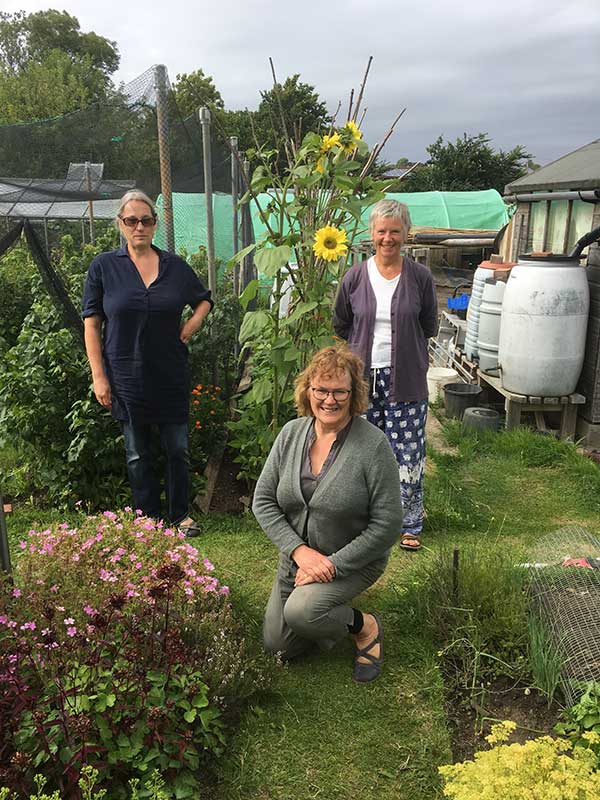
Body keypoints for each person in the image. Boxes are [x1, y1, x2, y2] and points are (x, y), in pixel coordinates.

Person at [253, 344, 403, 682]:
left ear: (354, 393)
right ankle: (315, 611)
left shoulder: (373, 446)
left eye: (339, 392)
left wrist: (333, 565)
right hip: (299, 560)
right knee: (277, 647)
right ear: (308, 390)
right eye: (321, 389)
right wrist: (300, 552)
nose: (330, 400)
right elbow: (262, 501)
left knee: (302, 612)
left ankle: (364, 627)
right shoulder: (291, 433)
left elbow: (389, 523)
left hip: (352, 560)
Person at [82, 190, 213, 534]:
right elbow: (92, 323)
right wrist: (99, 376)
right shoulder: (104, 267)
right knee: (138, 453)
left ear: (155, 224)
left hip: (170, 374)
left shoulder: (174, 266)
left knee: (177, 450)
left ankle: (180, 516)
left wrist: (191, 324)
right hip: (125, 376)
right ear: (121, 224)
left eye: (146, 220)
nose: (139, 226)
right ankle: (148, 520)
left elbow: (203, 300)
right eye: (132, 220)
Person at [333, 199, 438, 551]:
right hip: (362, 379)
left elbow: (429, 325)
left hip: (405, 376)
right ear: (371, 234)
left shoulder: (421, 278)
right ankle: (366, 520)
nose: (388, 238)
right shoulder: (355, 276)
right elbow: (342, 323)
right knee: (362, 449)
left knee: (407, 451)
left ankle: (409, 523)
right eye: (382, 231)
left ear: (406, 234)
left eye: (395, 231)